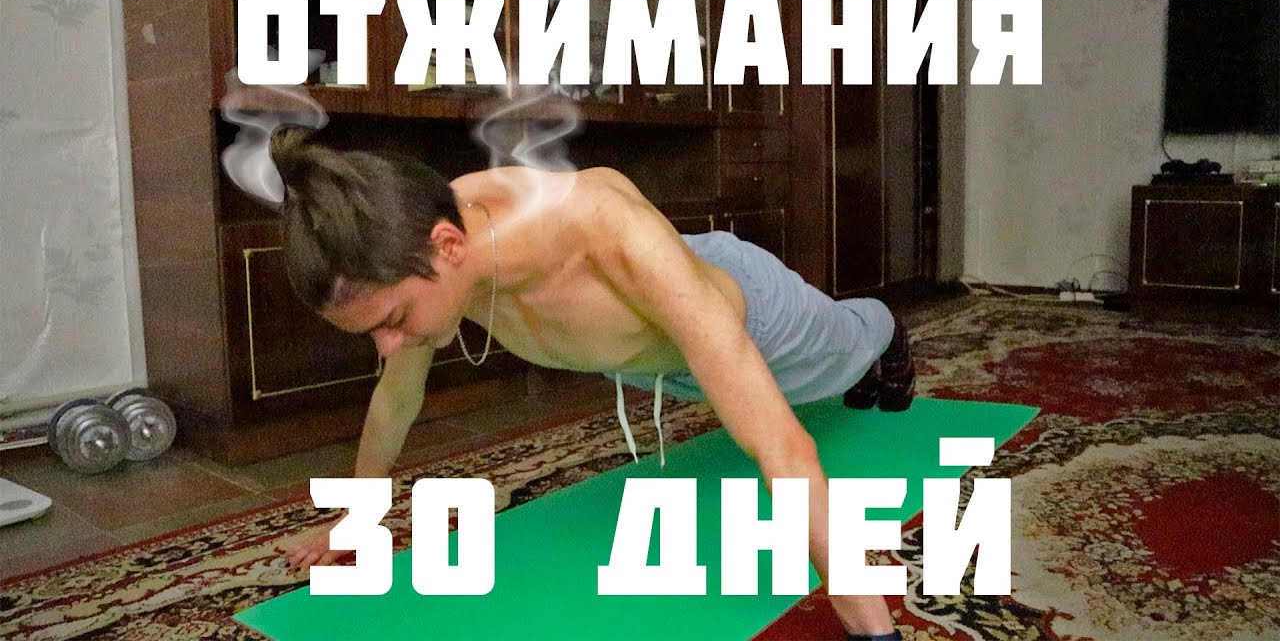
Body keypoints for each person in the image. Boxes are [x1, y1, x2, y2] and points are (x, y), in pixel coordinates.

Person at [270, 129, 915, 641]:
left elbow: (782, 448)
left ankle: (887, 330)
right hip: (654, 350)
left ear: (449, 247)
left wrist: (871, 626)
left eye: (393, 321)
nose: (388, 345)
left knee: (849, 349)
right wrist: (356, 519)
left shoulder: (597, 227)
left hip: (755, 322)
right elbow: (396, 398)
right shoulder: (423, 241)